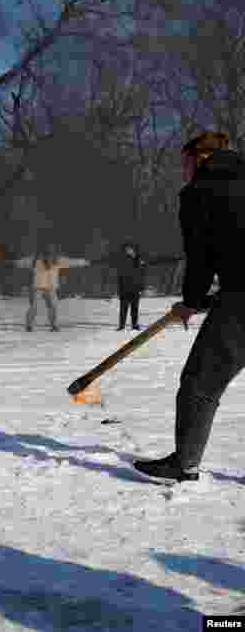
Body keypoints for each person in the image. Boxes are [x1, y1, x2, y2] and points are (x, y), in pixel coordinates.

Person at [134, 131, 245, 482]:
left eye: (184, 162)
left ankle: (183, 465)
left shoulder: (201, 191)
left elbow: (201, 258)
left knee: (201, 383)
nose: (183, 171)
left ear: (199, 157)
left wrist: (193, 301)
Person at [100, 242, 180, 331]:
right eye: (127, 249)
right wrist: (89, 262)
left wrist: (175, 259)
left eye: (130, 249)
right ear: (124, 250)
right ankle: (121, 326)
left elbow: (158, 260)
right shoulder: (121, 259)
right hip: (124, 289)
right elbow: (106, 260)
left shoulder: (141, 259)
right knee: (123, 309)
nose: (129, 251)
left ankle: (134, 325)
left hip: (136, 289)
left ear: (134, 249)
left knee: (134, 309)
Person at [14, 245, 90, 331]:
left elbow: (72, 262)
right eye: (47, 256)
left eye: (50, 256)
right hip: (37, 288)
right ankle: (29, 325)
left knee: (53, 306)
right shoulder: (35, 261)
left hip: (51, 288)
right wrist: (14, 263)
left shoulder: (58, 261)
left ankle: (54, 325)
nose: (49, 259)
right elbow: (21, 262)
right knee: (34, 307)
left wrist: (85, 262)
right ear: (43, 255)